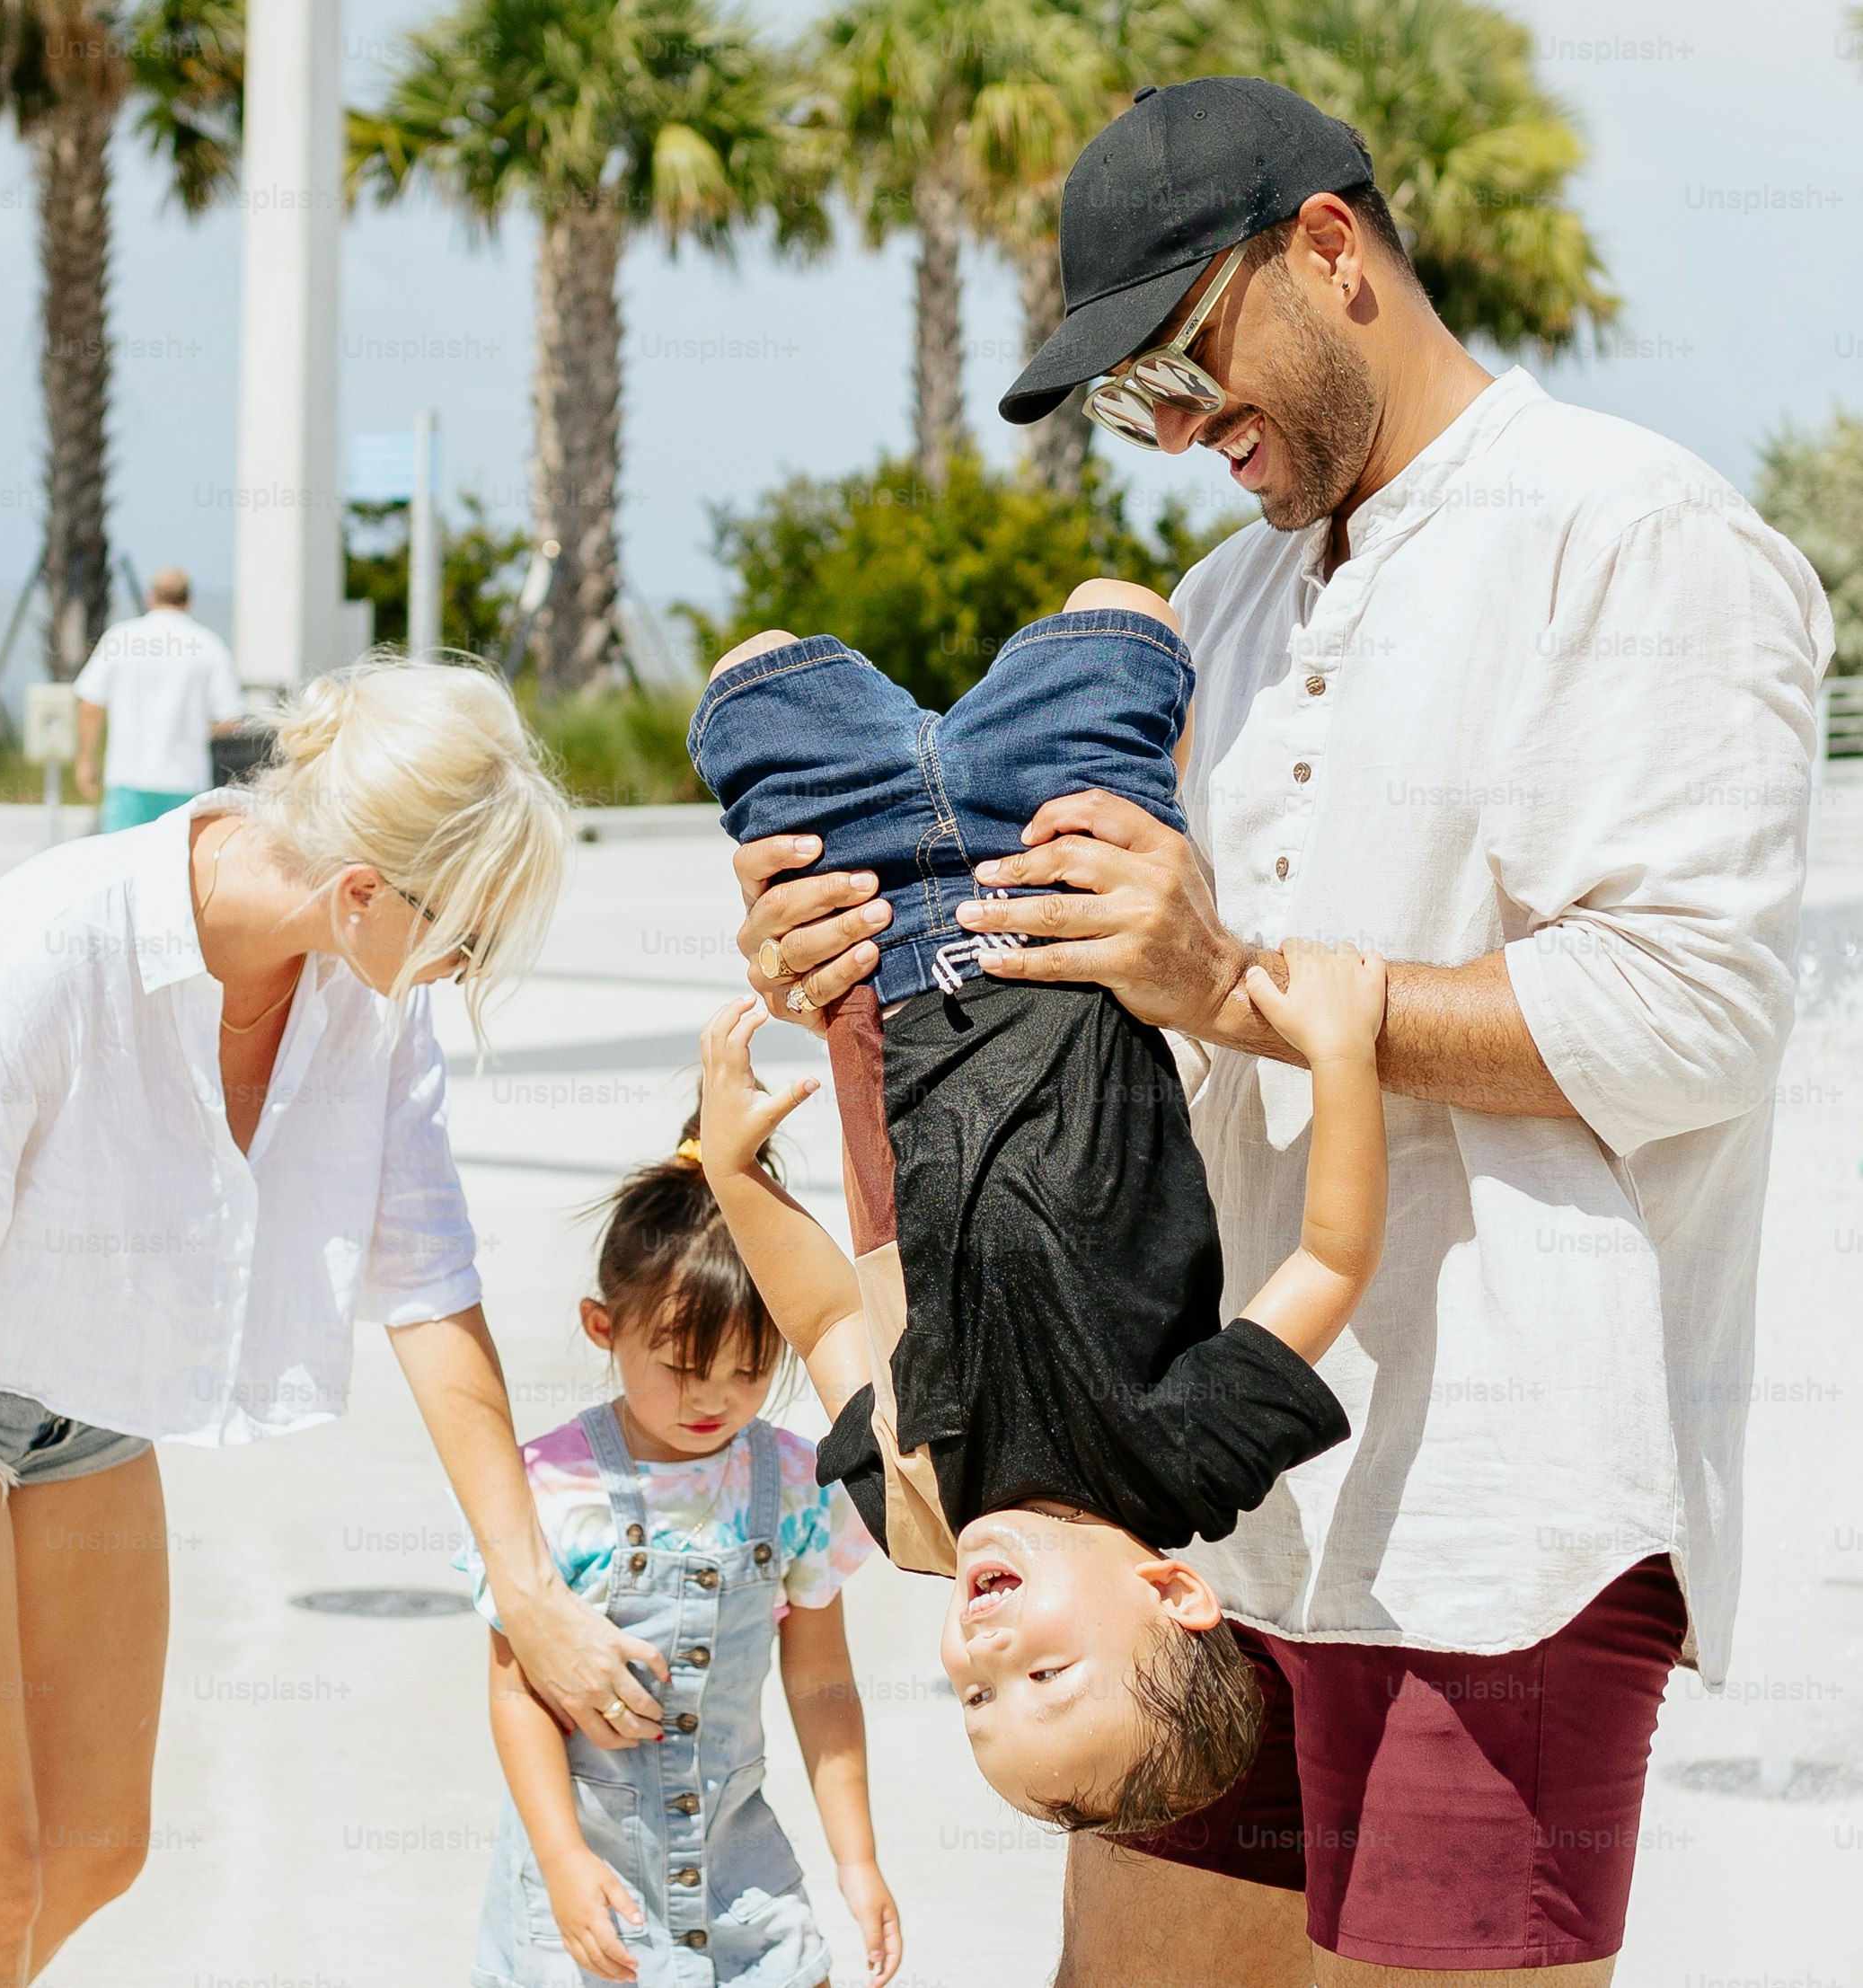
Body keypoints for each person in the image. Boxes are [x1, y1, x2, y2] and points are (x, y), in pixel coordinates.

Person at [730, 75, 1835, 1984]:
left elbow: (1693, 1016)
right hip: (1192, 1520)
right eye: (1132, 400)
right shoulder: (1216, 605)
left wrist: (1232, 979)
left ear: (1329, 250)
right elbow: (1096, 1039)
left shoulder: (1641, 534)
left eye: (1181, 361)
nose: (1174, 429)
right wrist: (839, 963)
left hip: (1506, 1515)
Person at [0, 659, 671, 1988]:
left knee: (98, 1845)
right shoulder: (51, 945)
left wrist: (528, 1592)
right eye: (463, 933)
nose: (463, 967)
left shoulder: (369, 996)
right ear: (361, 891)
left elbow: (426, 1280)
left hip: (83, 1384)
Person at [695, 892, 1385, 1835]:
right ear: (1173, 1593)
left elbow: (825, 1324)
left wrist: (735, 1175)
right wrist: (1342, 1054)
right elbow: (1331, 1263)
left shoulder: (915, 1509)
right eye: (1045, 1675)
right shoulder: (1183, 1459)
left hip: (877, 970)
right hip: (1052, 920)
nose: (986, 1654)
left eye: (977, 1698)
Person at [459, 1120, 901, 1988]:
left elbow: (821, 1681)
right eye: (683, 1365)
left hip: (739, 1869)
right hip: (588, 1875)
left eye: (749, 1369)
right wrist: (561, 1860)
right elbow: (517, 1692)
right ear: (603, 1326)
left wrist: (857, 1859)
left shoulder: (794, 1483)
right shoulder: (549, 1489)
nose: (714, 1397)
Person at [72, 566, 244, 831]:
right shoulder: (210, 646)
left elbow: (90, 705)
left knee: (122, 854)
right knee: (177, 856)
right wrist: (194, 730)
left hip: (127, 778)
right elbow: (231, 720)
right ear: (189, 601)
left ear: (150, 598)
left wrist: (85, 761)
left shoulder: (121, 638)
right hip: (186, 780)